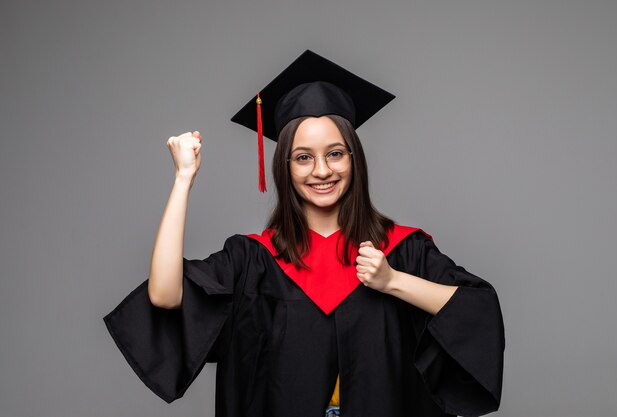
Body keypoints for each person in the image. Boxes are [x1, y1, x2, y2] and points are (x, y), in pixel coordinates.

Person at [104, 50, 505, 417]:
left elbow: (477, 311)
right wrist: (183, 180)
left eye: (335, 153)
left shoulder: (402, 251)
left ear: (354, 158)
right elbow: (164, 294)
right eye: (303, 158)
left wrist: (392, 281)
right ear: (285, 167)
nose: (321, 171)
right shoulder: (254, 261)